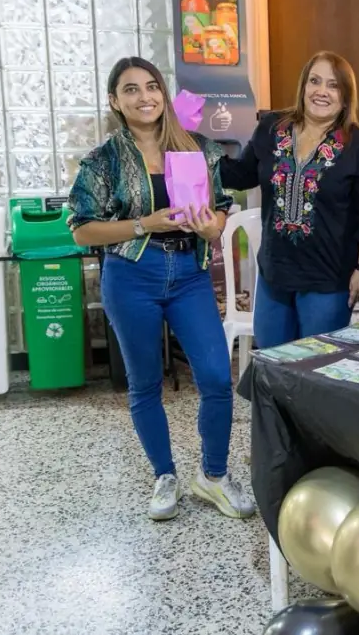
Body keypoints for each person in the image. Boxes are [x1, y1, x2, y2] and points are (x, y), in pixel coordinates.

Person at [68, 57, 255, 522]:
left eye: (152, 87)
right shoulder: (104, 159)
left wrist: (209, 224)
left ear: (164, 94)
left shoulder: (197, 149)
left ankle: (213, 475)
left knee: (215, 377)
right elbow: (81, 230)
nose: (144, 96)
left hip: (188, 274)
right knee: (145, 382)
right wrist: (141, 225)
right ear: (115, 101)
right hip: (132, 275)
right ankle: (164, 475)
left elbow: (218, 220)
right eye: (131, 90)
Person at [220, 51, 359, 347]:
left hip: (328, 279)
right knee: (272, 365)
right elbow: (241, 175)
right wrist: (192, 150)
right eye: (314, 81)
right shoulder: (273, 127)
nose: (321, 91)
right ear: (303, 86)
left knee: (316, 372)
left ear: (346, 95)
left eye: (333, 85)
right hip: (274, 275)